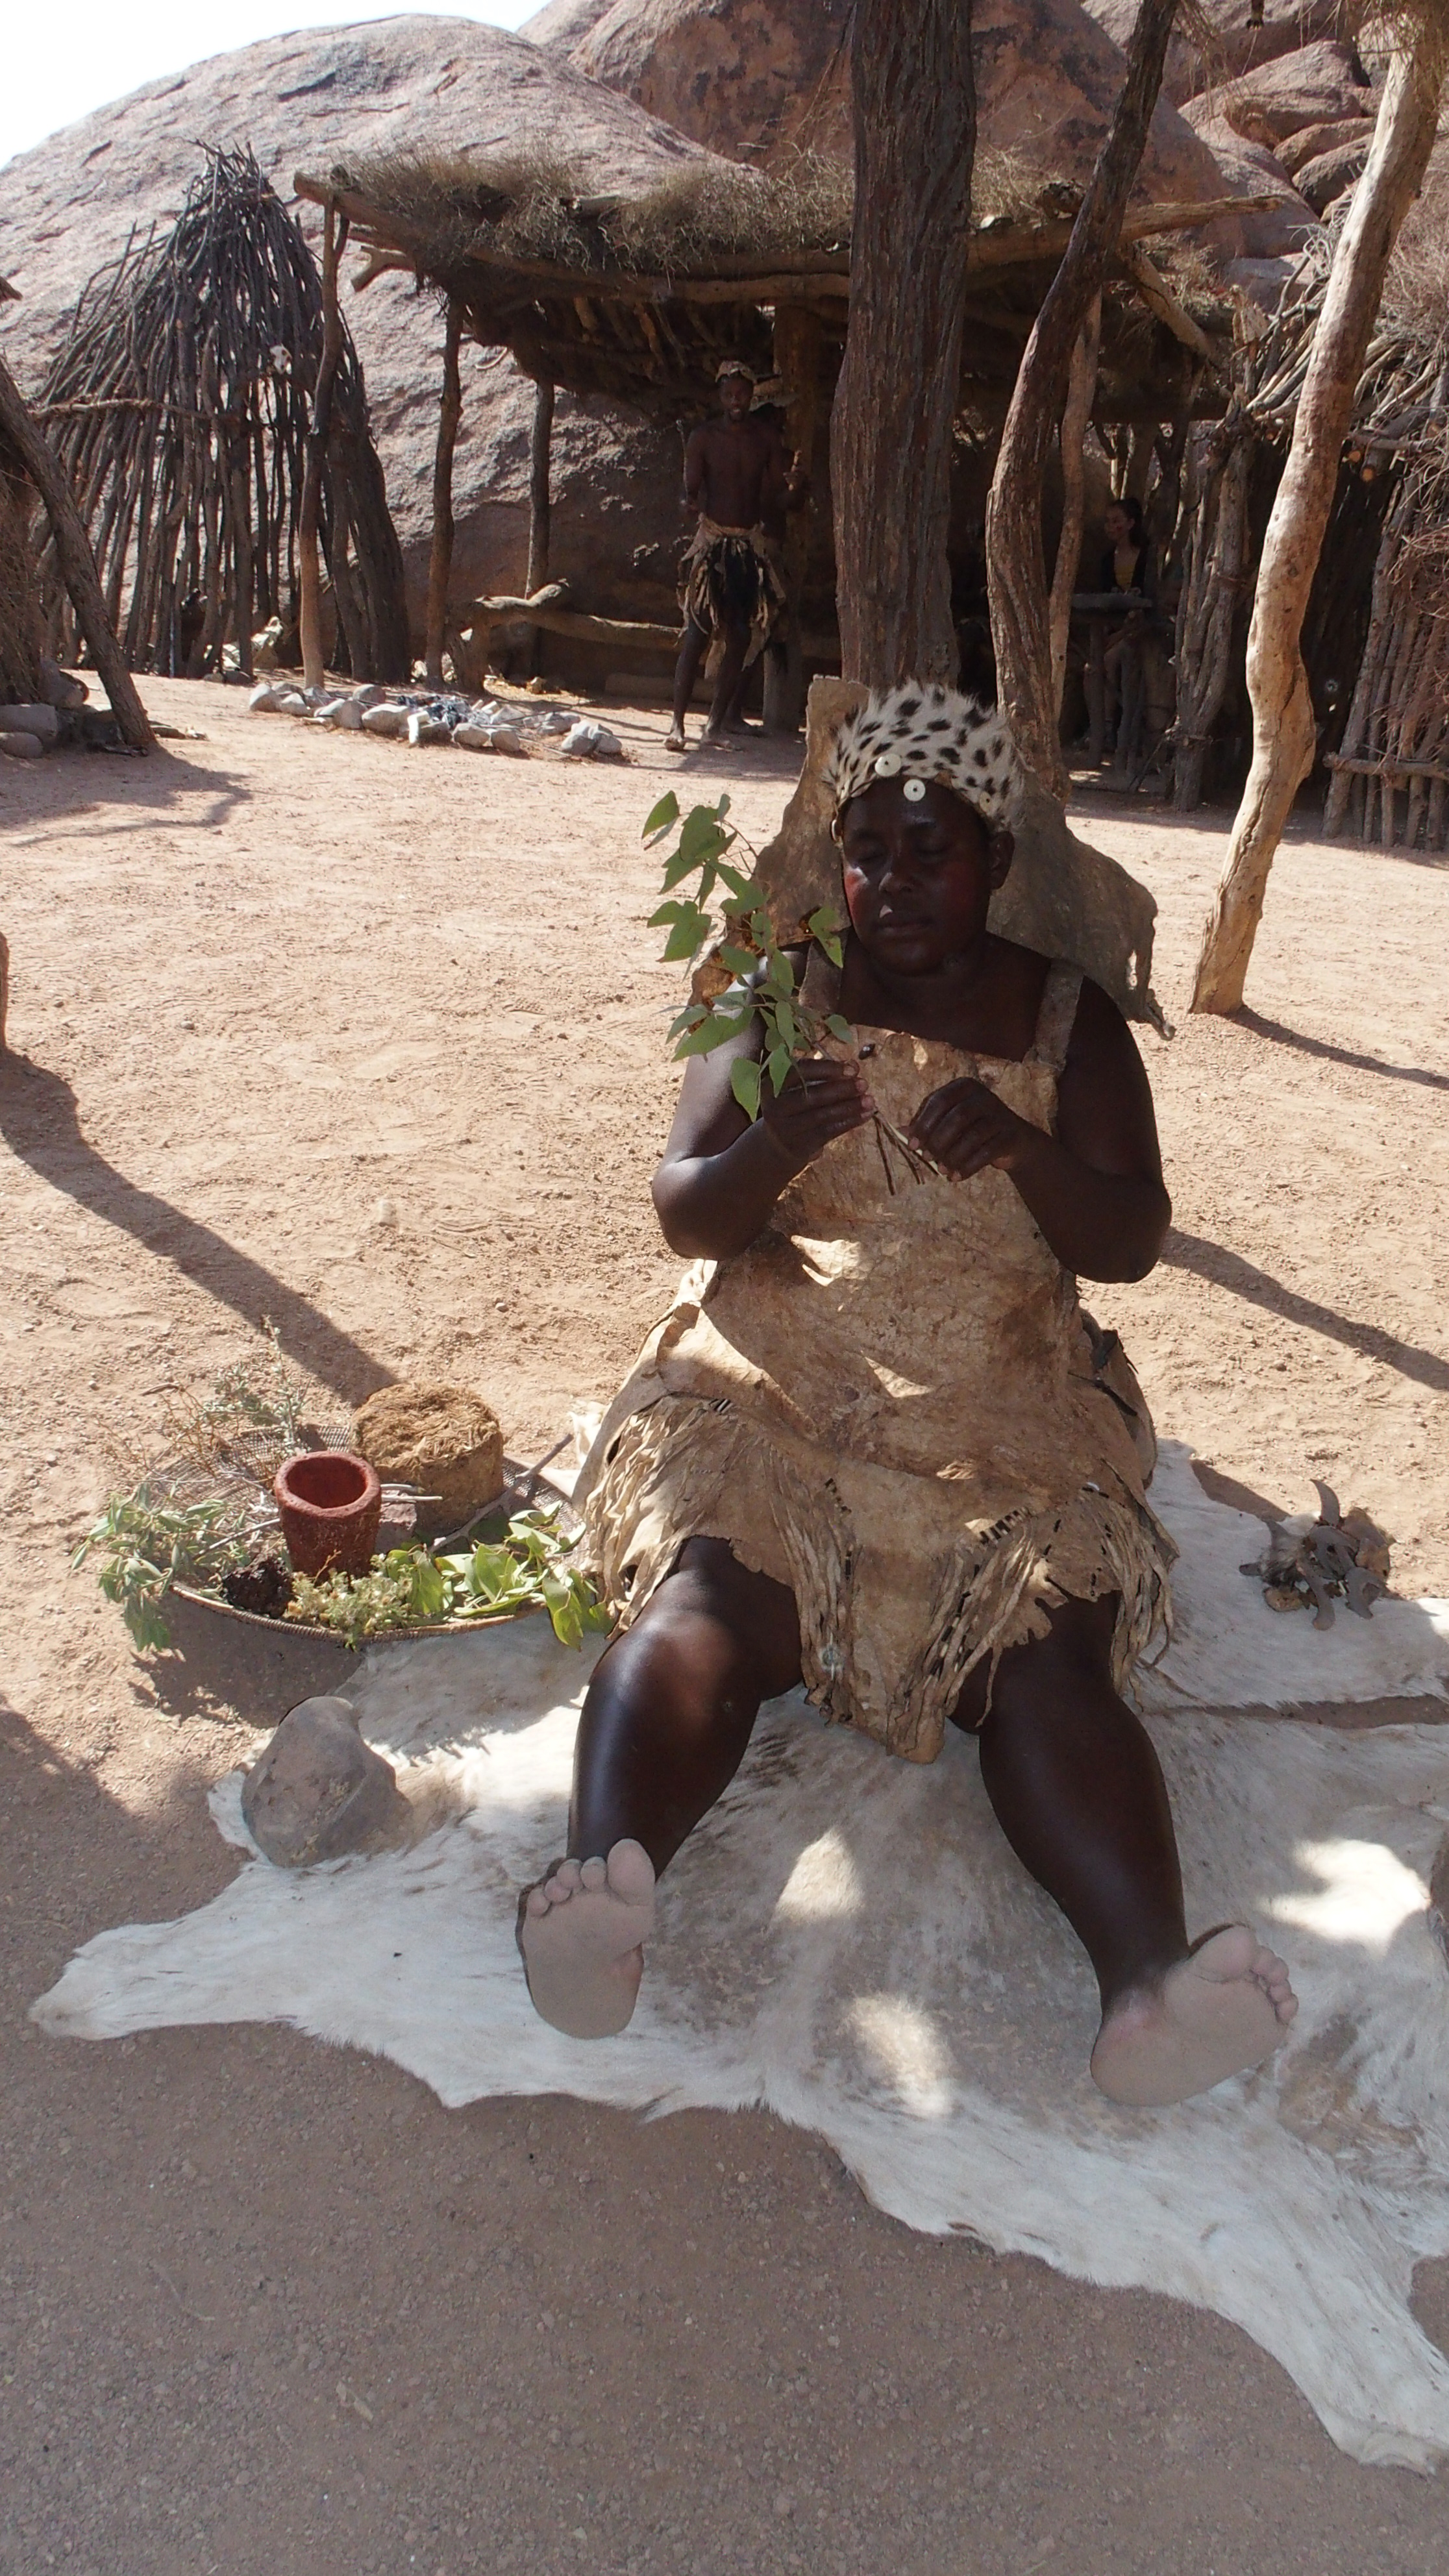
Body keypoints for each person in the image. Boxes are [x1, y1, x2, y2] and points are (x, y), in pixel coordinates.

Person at [519, 683, 1298, 2107]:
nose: (894, 882)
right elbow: (686, 1212)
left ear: (995, 861)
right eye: (868, 850)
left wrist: (1020, 1150)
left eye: (931, 851)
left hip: (1000, 1403)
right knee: (710, 1601)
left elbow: (1127, 1243)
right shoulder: (775, 990)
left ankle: (1145, 1991)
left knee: (1044, 1655)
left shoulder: (1074, 1027)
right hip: (791, 1378)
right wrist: (772, 1145)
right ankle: (604, 1893)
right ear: (838, 858)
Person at [665, 361, 799, 753]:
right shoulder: (703, 438)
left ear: (751, 395)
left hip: (746, 546)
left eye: (742, 394)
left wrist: (797, 487)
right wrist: (689, 503)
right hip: (713, 542)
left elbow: (777, 496)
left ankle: (715, 725)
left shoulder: (765, 440)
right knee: (698, 632)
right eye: (729, 395)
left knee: (741, 634)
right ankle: (676, 724)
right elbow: (691, 490)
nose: (736, 401)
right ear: (720, 396)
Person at [1100, 497, 1156, 769]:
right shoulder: (1105, 559)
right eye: (1108, 522)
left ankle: (1115, 732)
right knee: (1093, 667)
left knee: (1110, 661)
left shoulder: (1146, 557)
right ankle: (1103, 728)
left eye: (1117, 521)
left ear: (1131, 524)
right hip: (1115, 629)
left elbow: (1150, 599)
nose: (1111, 527)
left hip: (1138, 631)